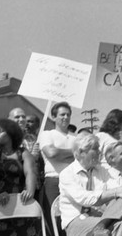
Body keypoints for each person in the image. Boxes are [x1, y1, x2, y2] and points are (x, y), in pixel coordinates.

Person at [59, 134, 122, 236]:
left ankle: (100, 226)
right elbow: (85, 199)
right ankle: (99, 227)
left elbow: (115, 189)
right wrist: (117, 192)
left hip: (101, 217)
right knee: (120, 200)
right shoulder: (67, 174)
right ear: (81, 152)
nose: (100, 152)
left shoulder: (101, 170)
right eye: (95, 149)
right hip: (76, 221)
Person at [0, 118, 37, 236]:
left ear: (11, 134)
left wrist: (30, 191)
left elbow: (30, 172)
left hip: (19, 201)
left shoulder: (23, 153)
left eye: (0, 131)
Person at [38, 101, 76, 236]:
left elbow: (82, 158)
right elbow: (51, 153)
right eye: (62, 114)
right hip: (53, 181)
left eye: (68, 114)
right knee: (53, 219)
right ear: (54, 117)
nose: (65, 117)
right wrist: (73, 152)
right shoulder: (47, 134)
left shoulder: (75, 138)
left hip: (74, 181)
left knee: (73, 217)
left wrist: (61, 153)